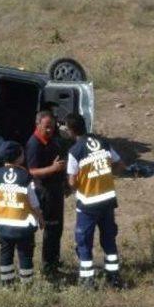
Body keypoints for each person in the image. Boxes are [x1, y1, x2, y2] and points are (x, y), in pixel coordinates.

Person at [65, 113, 125, 289]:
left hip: (88, 204)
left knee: (84, 242)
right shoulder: (104, 143)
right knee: (109, 240)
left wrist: (78, 185)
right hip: (107, 200)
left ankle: (87, 281)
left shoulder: (75, 151)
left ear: (70, 130)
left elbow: (72, 181)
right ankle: (114, 279)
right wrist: (105, 175)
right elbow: (121, 165)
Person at [0, 141, 44, 285]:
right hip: (23, 225)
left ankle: (7, 283)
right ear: (19, 157)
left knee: (5, 252)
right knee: (25, 253)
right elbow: (33, 203)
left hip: (3, 222)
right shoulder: (25, 176)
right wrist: (40, 218)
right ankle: (26, 283)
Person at [25, 110, 67, 277]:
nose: (50, 129)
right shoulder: (34, 144)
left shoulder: (52, 140)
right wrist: (53, 169)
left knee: (56, 228)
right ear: (38, 125)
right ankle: (48, 267)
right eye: (47, 127)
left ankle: (53, 261)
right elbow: (32, 171)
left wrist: (64, 182)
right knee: (49, 227)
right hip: (44, 191)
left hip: (56, 190)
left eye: (52, 126)